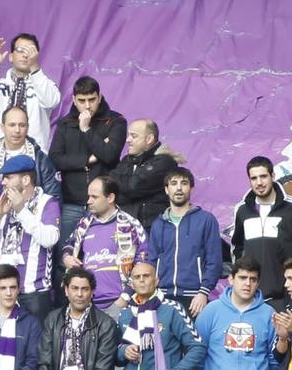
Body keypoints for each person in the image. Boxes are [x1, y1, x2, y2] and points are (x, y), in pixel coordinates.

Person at [0, 105, 60, 277]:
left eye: (22, 125)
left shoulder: (39, 158)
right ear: (2, 127)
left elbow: (53, 197)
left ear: (28, 127)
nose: (17, 130)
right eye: (12, 125)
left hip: (28, 239)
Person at [0, 154, 61, 321]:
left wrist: (21, 211)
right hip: (1, 291)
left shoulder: (48, 203)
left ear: (25, 179)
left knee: (32, 346)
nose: (3, 182)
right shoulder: (2, 201)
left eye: (8, 177)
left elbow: (50, 239)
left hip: (33, 293)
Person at [49, 77, 127, 262]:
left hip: (104, 203)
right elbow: (55, 158)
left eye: (91, 100)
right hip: (72, 202)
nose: (87, 106)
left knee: (104, 257)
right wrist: (88, 159)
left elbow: (110, 155)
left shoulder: (115, 121)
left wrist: (86, 130)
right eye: (82, 100)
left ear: (99, 97)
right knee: (66, 258)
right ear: (74, 99)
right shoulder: (66, 123)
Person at [194, 256, 281, 370]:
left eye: (253, 279)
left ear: (258, 283)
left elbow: (273, 357)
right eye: (242, 278)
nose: (248, 283)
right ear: (231, 279)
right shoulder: (211, 311)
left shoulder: (269, 314)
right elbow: (197, 350)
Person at [117, 262, 203, 370]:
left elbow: (197, 347)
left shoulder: (172, 309)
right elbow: (114, 352)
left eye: (146, 276)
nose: (141, 280)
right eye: (137, 277)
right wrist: (124, 351)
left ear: (156, 281)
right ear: (132, 284)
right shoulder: (125, 313)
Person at [33, 268, 120, 370]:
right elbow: (45, 360)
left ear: (92, 292)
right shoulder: (53, 319)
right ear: (66, 290)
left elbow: (104, 366)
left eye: (85, 289)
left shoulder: (106, 324)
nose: (79, 294)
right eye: (75, 288)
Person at [62, 175, 148, 311]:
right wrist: (66, 257)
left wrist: (125, 297)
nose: (88, 201)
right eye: (88, 196)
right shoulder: (84, 224)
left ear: (110, 198)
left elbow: (144, 262)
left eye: (94, 197)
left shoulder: (130, 224)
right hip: (87, 304)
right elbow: (69, 244)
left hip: (119, 304)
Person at [148, 166, 222, 320]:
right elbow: (152, 262)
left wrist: (203, 293)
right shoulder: (158, 224)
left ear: (191, 188)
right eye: (173, 183)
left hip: (195, 299)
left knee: (194, 344)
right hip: (163, 297)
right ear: (166, 189)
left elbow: (214, 261)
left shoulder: (206, 219)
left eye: (184, 183)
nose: (179, 188)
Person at [231, 156, 292, 301]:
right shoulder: (242, 210)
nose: (259, 182)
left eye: (263, 176)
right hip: (251, 296)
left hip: (285, 295)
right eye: (254, 178)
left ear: (273, 176)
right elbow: (237, 248)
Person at [0, 32, 59, 148]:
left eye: (30, 51)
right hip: (2, 155)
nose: (25, 55)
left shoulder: (45, 85)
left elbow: (51, 102)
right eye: (20, 50)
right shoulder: (0, 84)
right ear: (11, 56)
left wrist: (34, 68)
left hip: (34, 155)